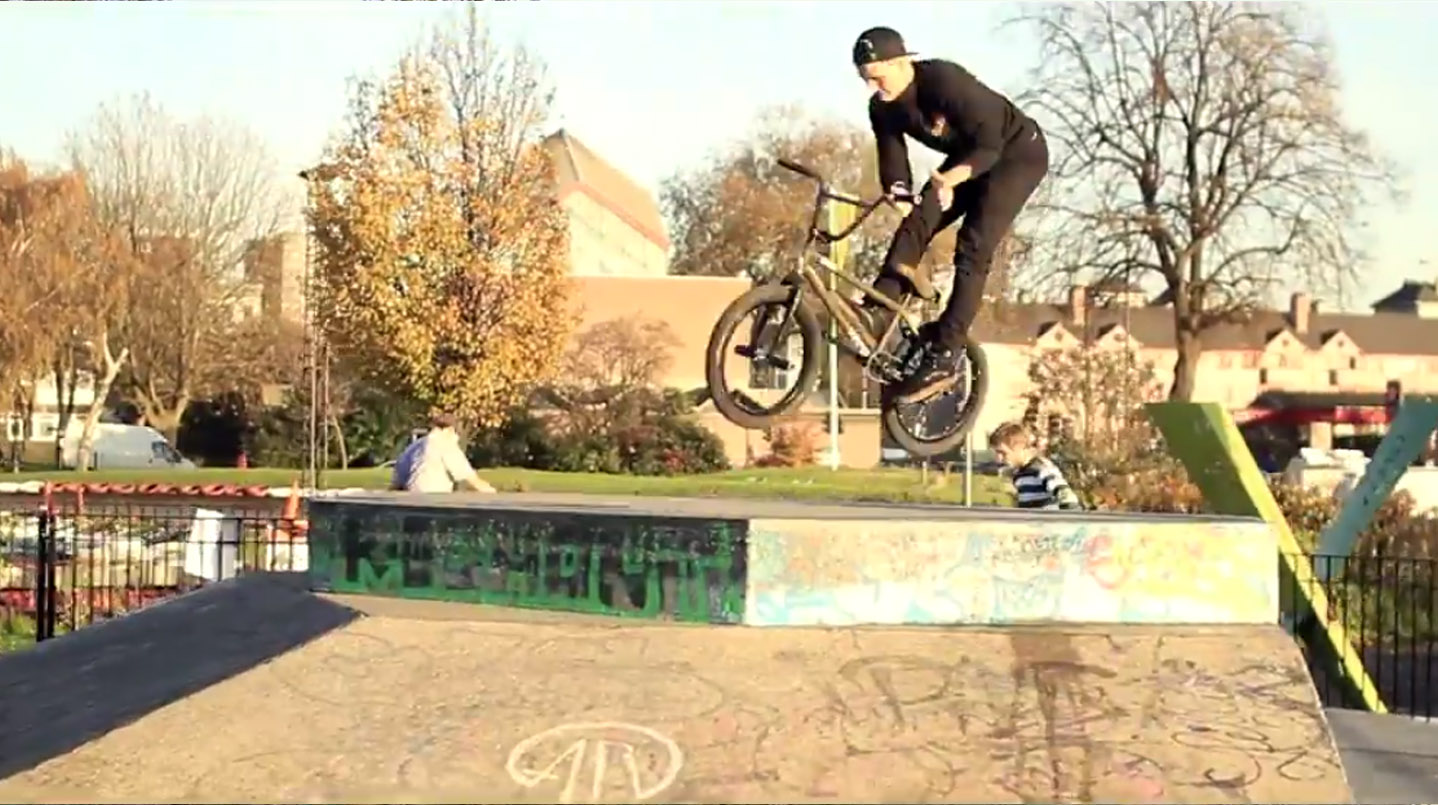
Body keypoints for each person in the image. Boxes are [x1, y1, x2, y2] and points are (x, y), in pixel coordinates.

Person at [853, 26, 1050, 403]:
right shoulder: (882, 107)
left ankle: (946, 352)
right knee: (917, 221)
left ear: (901, 63)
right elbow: (892, 157)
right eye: (865, 80)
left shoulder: (944, 80)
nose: (872, 88)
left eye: (877, 78)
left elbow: (990, 146)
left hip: (1017, 155)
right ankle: (881, 306)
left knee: (973, 247)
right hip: (966, 156)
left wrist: (951, 180)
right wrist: (900, 194)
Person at [389, 411, 497, 494]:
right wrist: (492, 493)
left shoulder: (416, 445)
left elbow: (398, 478)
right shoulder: (446, 445)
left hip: (410, 500)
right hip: (435, 501)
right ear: (449, 430)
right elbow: (470, 479)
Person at [988, 421, 1081, 511]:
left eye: (1003, 453)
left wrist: (1066, 516)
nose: (998, 458)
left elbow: (1066, 496)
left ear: (1020, 447)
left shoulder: (1041, 469)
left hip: (1044, 520)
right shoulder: (1019, 474)